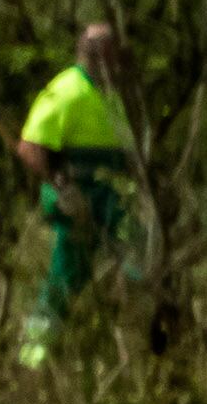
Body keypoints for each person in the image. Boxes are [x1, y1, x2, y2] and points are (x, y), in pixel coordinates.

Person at [11, 23, 137, 367]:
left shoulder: (108, 94)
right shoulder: (66, 90)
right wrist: (62, 187)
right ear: (96, 55)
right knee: (65, 279)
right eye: (111, 53)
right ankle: (33, 356)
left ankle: (130, 344)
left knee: (138, 257)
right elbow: (30, 147)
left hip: (111, 196)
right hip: (79, 197)